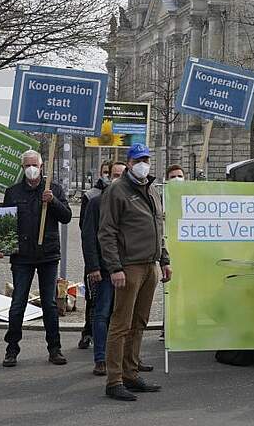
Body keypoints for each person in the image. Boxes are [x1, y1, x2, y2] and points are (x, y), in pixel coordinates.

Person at [100, 143, 169, 401]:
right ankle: (114, 380)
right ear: (129, 163)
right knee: (121, 324)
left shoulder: (151, 189)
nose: (144, 163)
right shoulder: (117, 190)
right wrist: (115, 267)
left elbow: (158, 227)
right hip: (128, 267)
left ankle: (131, 372)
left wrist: (164, 259)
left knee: (139, 322)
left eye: (146, 159)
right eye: (139, 159)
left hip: (150, 265)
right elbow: (107, 232)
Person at [2, 150, 71, 368]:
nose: (31, 169)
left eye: (35, 165)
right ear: (22, 168)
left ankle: (54, 349)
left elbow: (67, 216)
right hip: (21, 257)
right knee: (17, 304)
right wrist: (0, 247)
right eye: (27, 165)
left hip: (48, 255)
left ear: (42, 167)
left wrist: (53, 202)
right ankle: (11, 349)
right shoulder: (13, 192)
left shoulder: (54, 189)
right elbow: (6, 224)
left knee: (50, 305)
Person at [81, 161, 126, 376]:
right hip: (104, 268)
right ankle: (100, 358)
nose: (116, 178)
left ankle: (124, 358)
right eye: (113, 174)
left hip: (127, 267)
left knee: (125, 314)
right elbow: (88, 236)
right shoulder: (96, 202)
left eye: (120, 175)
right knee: (102, 313)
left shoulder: (130, 201)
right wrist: (93, 267)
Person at [77, 162, 113, 351]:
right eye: (108, 173)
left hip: (116, 263)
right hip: (98, 260)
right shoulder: (92, 197)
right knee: (95, 302)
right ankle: (89, 333)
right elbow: (86, 229)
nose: (111, 177)